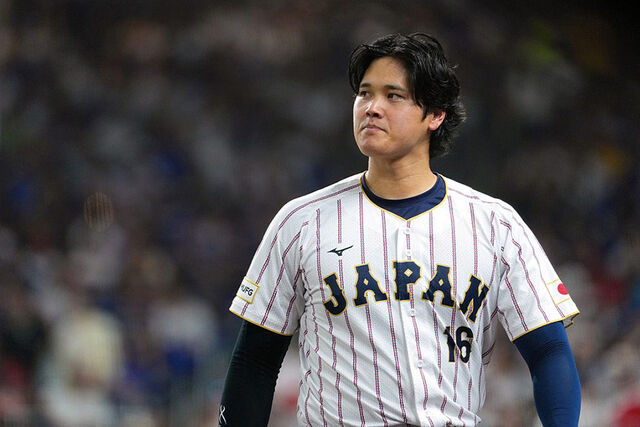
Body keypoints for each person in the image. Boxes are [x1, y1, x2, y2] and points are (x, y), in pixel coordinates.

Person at [219, 32, 581, 426]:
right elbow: (255, 360)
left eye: (393, 96)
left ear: (435, 115)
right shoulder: (302, 221)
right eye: (364, 93)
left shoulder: (496, 224)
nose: (371, 108)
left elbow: (549, 352)